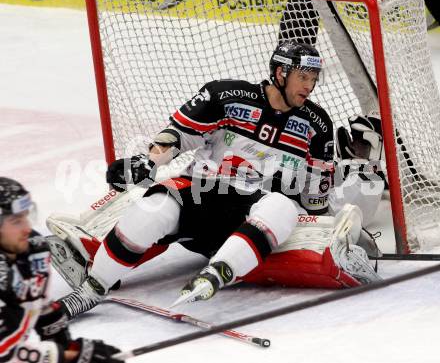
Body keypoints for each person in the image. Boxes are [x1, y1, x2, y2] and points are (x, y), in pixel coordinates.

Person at [54, 40, 383, 318]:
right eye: (303, 77)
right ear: (281, 73)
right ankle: (92, 287)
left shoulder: (317, 125)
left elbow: (315, 199)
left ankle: (216, 274)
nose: (309, 86)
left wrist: (331, 226)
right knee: (155, 205)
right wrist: (148, 161)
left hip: (251, 218)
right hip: (203, 196)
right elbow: (177, 135)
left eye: (314, 78)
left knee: (283, 207)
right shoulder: (225, 96)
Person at [0, 177, 124, 363]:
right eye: (16, 221)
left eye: (27, 216)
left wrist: (68, 347)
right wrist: (68, 357)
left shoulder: (33, 250)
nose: (27, 228)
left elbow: (41, 309)